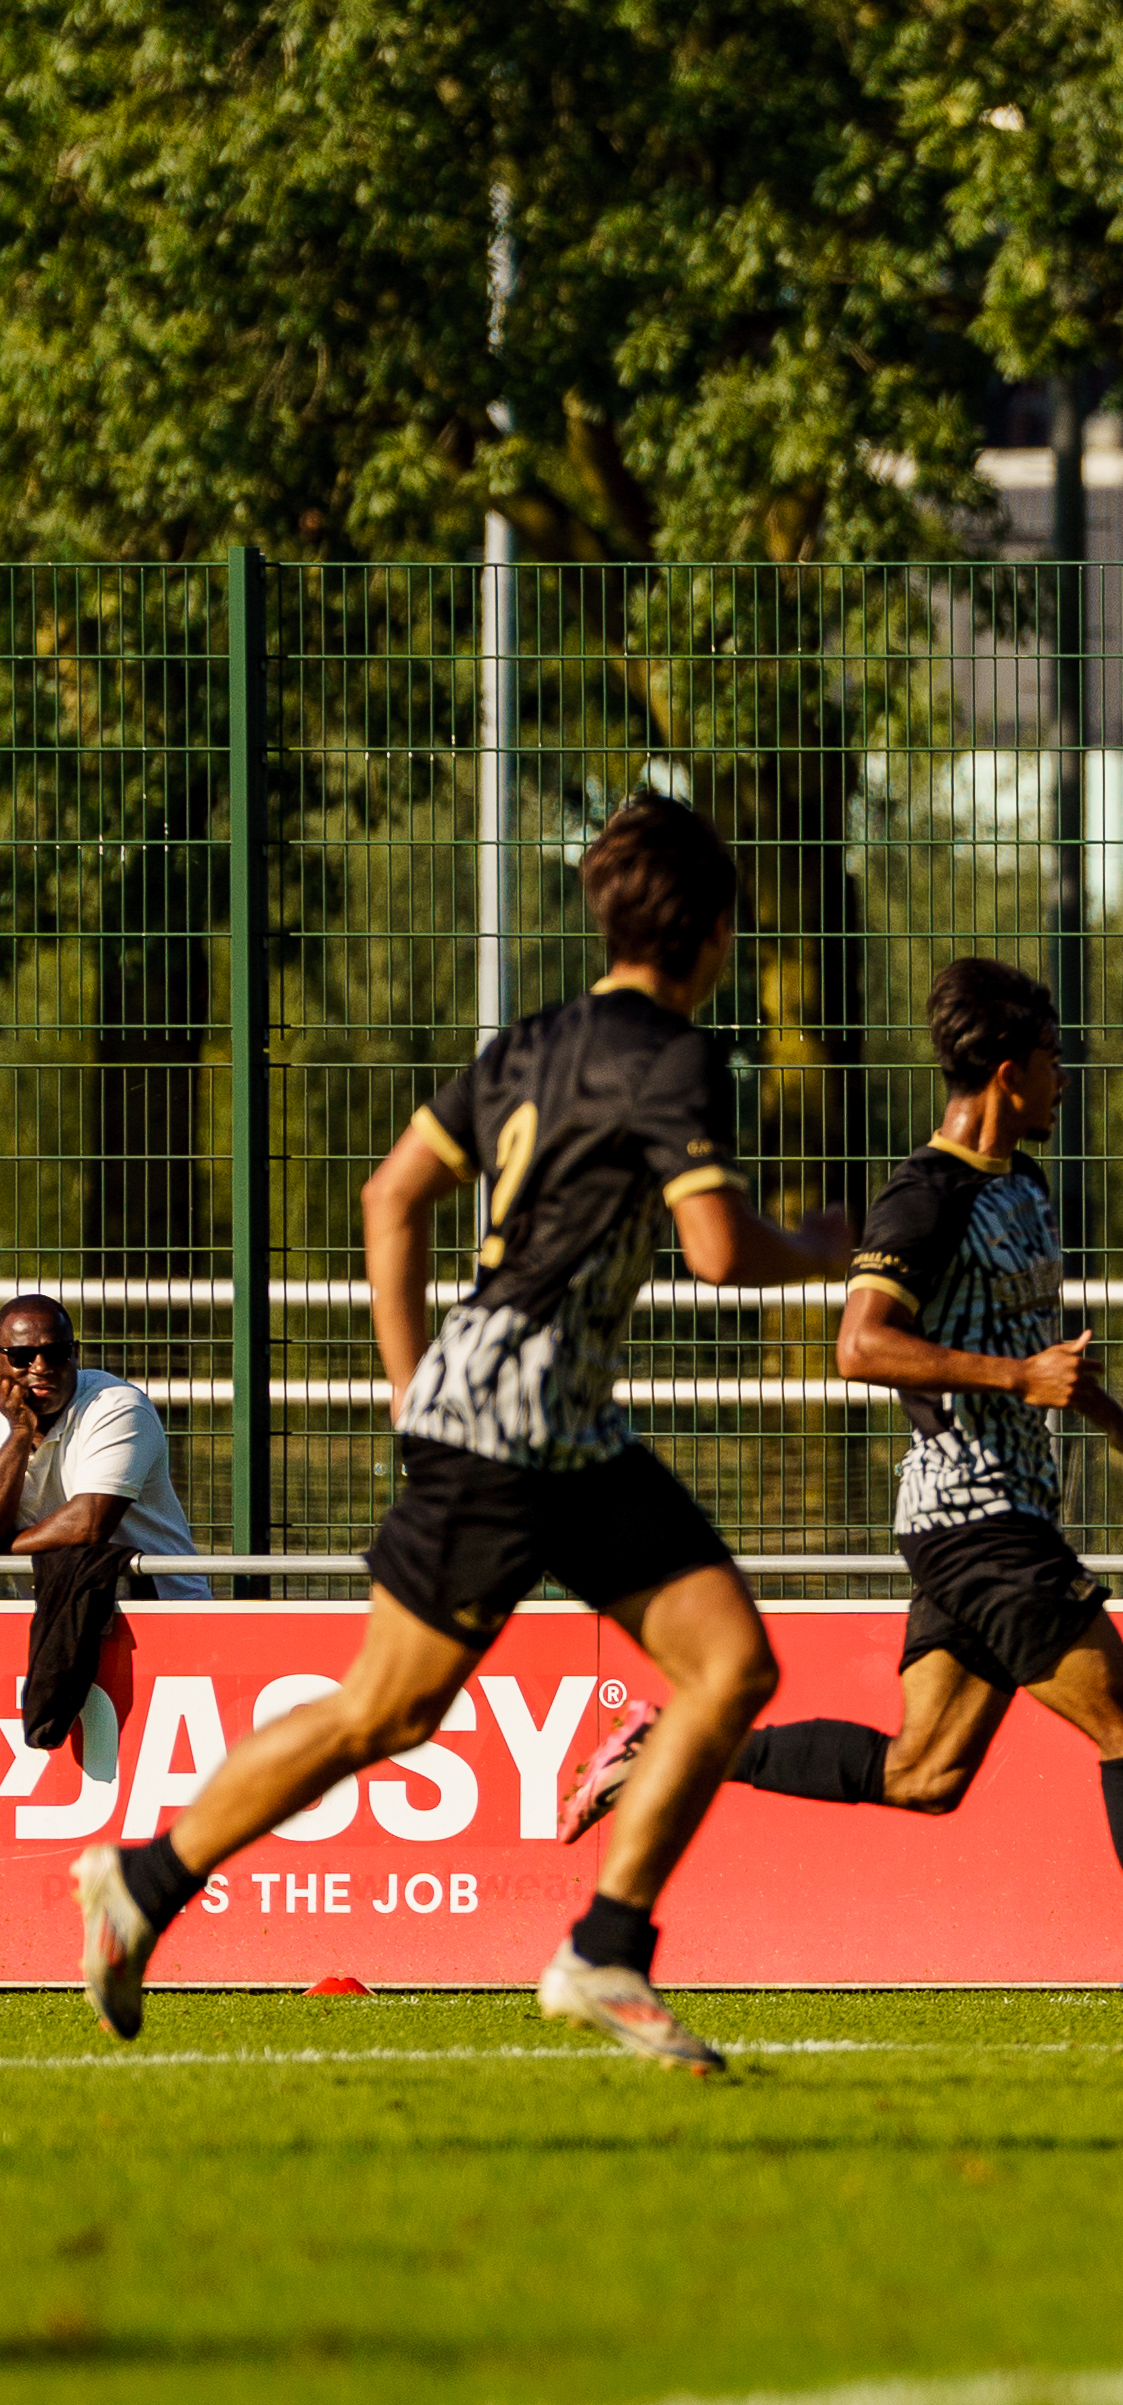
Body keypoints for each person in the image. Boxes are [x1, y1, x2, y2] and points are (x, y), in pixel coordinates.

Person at [71, 796, 853, 2074]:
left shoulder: (531, 1041)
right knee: (389, 1708)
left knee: (723, 1665)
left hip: (547, 1422)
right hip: (518, 1426)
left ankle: (602, 1947)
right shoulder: (678, 1055)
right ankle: (145, 1882)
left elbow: (393, 1194)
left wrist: (410, 1386)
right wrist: (816, 1248)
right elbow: (715, 1249)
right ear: (716, 929)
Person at [557, 958, 1123, 2040]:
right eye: (1054, 1058)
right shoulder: (923, 1196)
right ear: (1007, 1072)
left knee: (923, 1770)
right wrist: (1019, 1381)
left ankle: (664, 1748)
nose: (1065, 1077)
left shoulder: (1023, 1183)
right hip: (973, 1516)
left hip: (990, 1515)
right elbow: (860, 1344)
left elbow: (1033, 1343)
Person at [4, 1292, 200, 1765]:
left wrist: (4, 1548)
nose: (40, 1367)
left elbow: (89, 1521)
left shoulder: (116, 1406)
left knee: (160, 1773)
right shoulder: (7, 1419)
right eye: (22, 1356)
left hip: (157, 1617)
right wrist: (19, 1434)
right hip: (52, 1621)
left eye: (56, 1352)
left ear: (74, 1353)